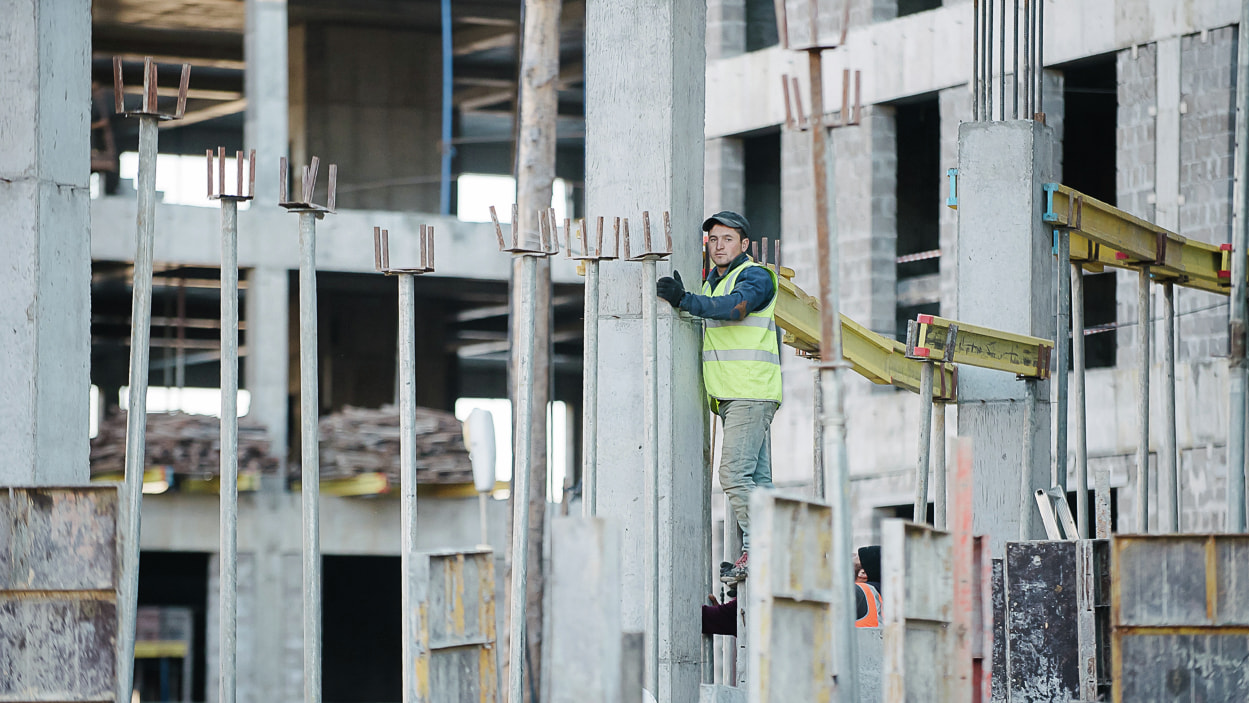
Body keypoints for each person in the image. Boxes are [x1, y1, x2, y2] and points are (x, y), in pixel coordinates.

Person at [657, 211, 781, 585]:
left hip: (749, 391)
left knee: (732, 474)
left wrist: (686, 300)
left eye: (727, 239)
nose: (718, 246)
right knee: (757, 480)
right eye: (713, 240)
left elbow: (735, 309)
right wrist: (691, 297)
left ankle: (765, 549)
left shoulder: (755, 277)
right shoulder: (714, 282)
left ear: (744, 245)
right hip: (733, 394)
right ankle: (762, 549)